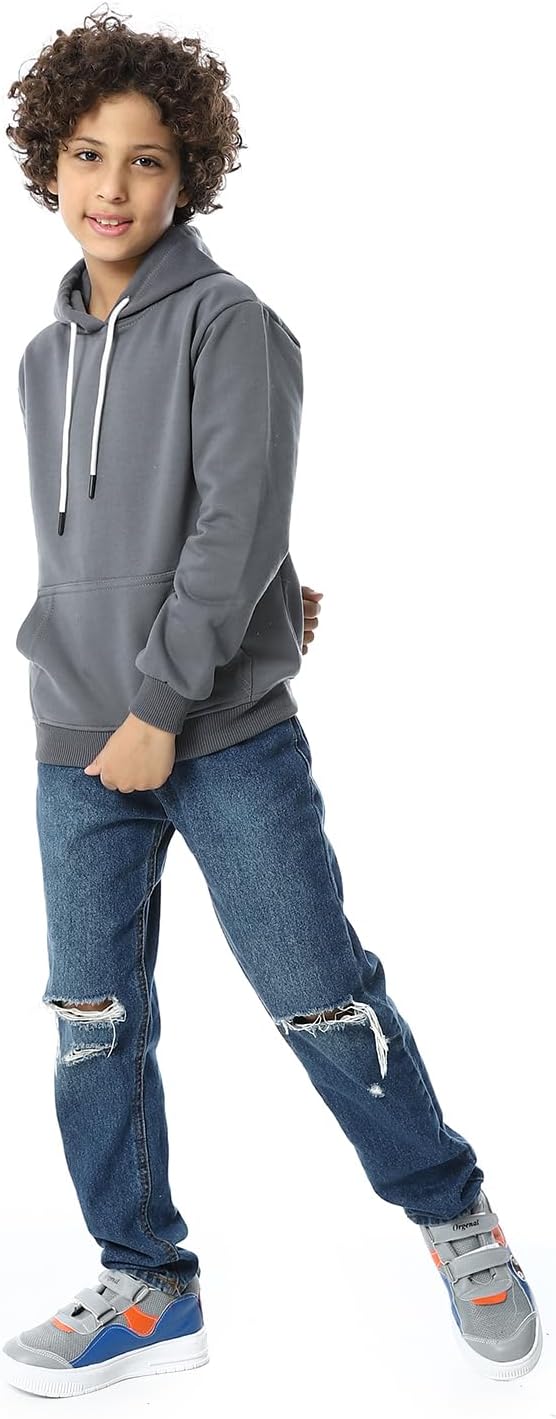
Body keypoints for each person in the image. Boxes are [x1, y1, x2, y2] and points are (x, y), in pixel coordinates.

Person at [2, 8, 542, 1399]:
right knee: (92, 1022)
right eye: (85, 155)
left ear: (189, 172)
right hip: (75, 741)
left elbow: (236, 519)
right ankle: (145, 1283)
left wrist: (173, 688)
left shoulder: (228, 320)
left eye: (146, 159)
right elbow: (101, 541)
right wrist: (118, 661)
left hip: (216, 738)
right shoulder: (44, 358)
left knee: (319, 996)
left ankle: (454, 1215)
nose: (112, 186)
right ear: (46, 163)